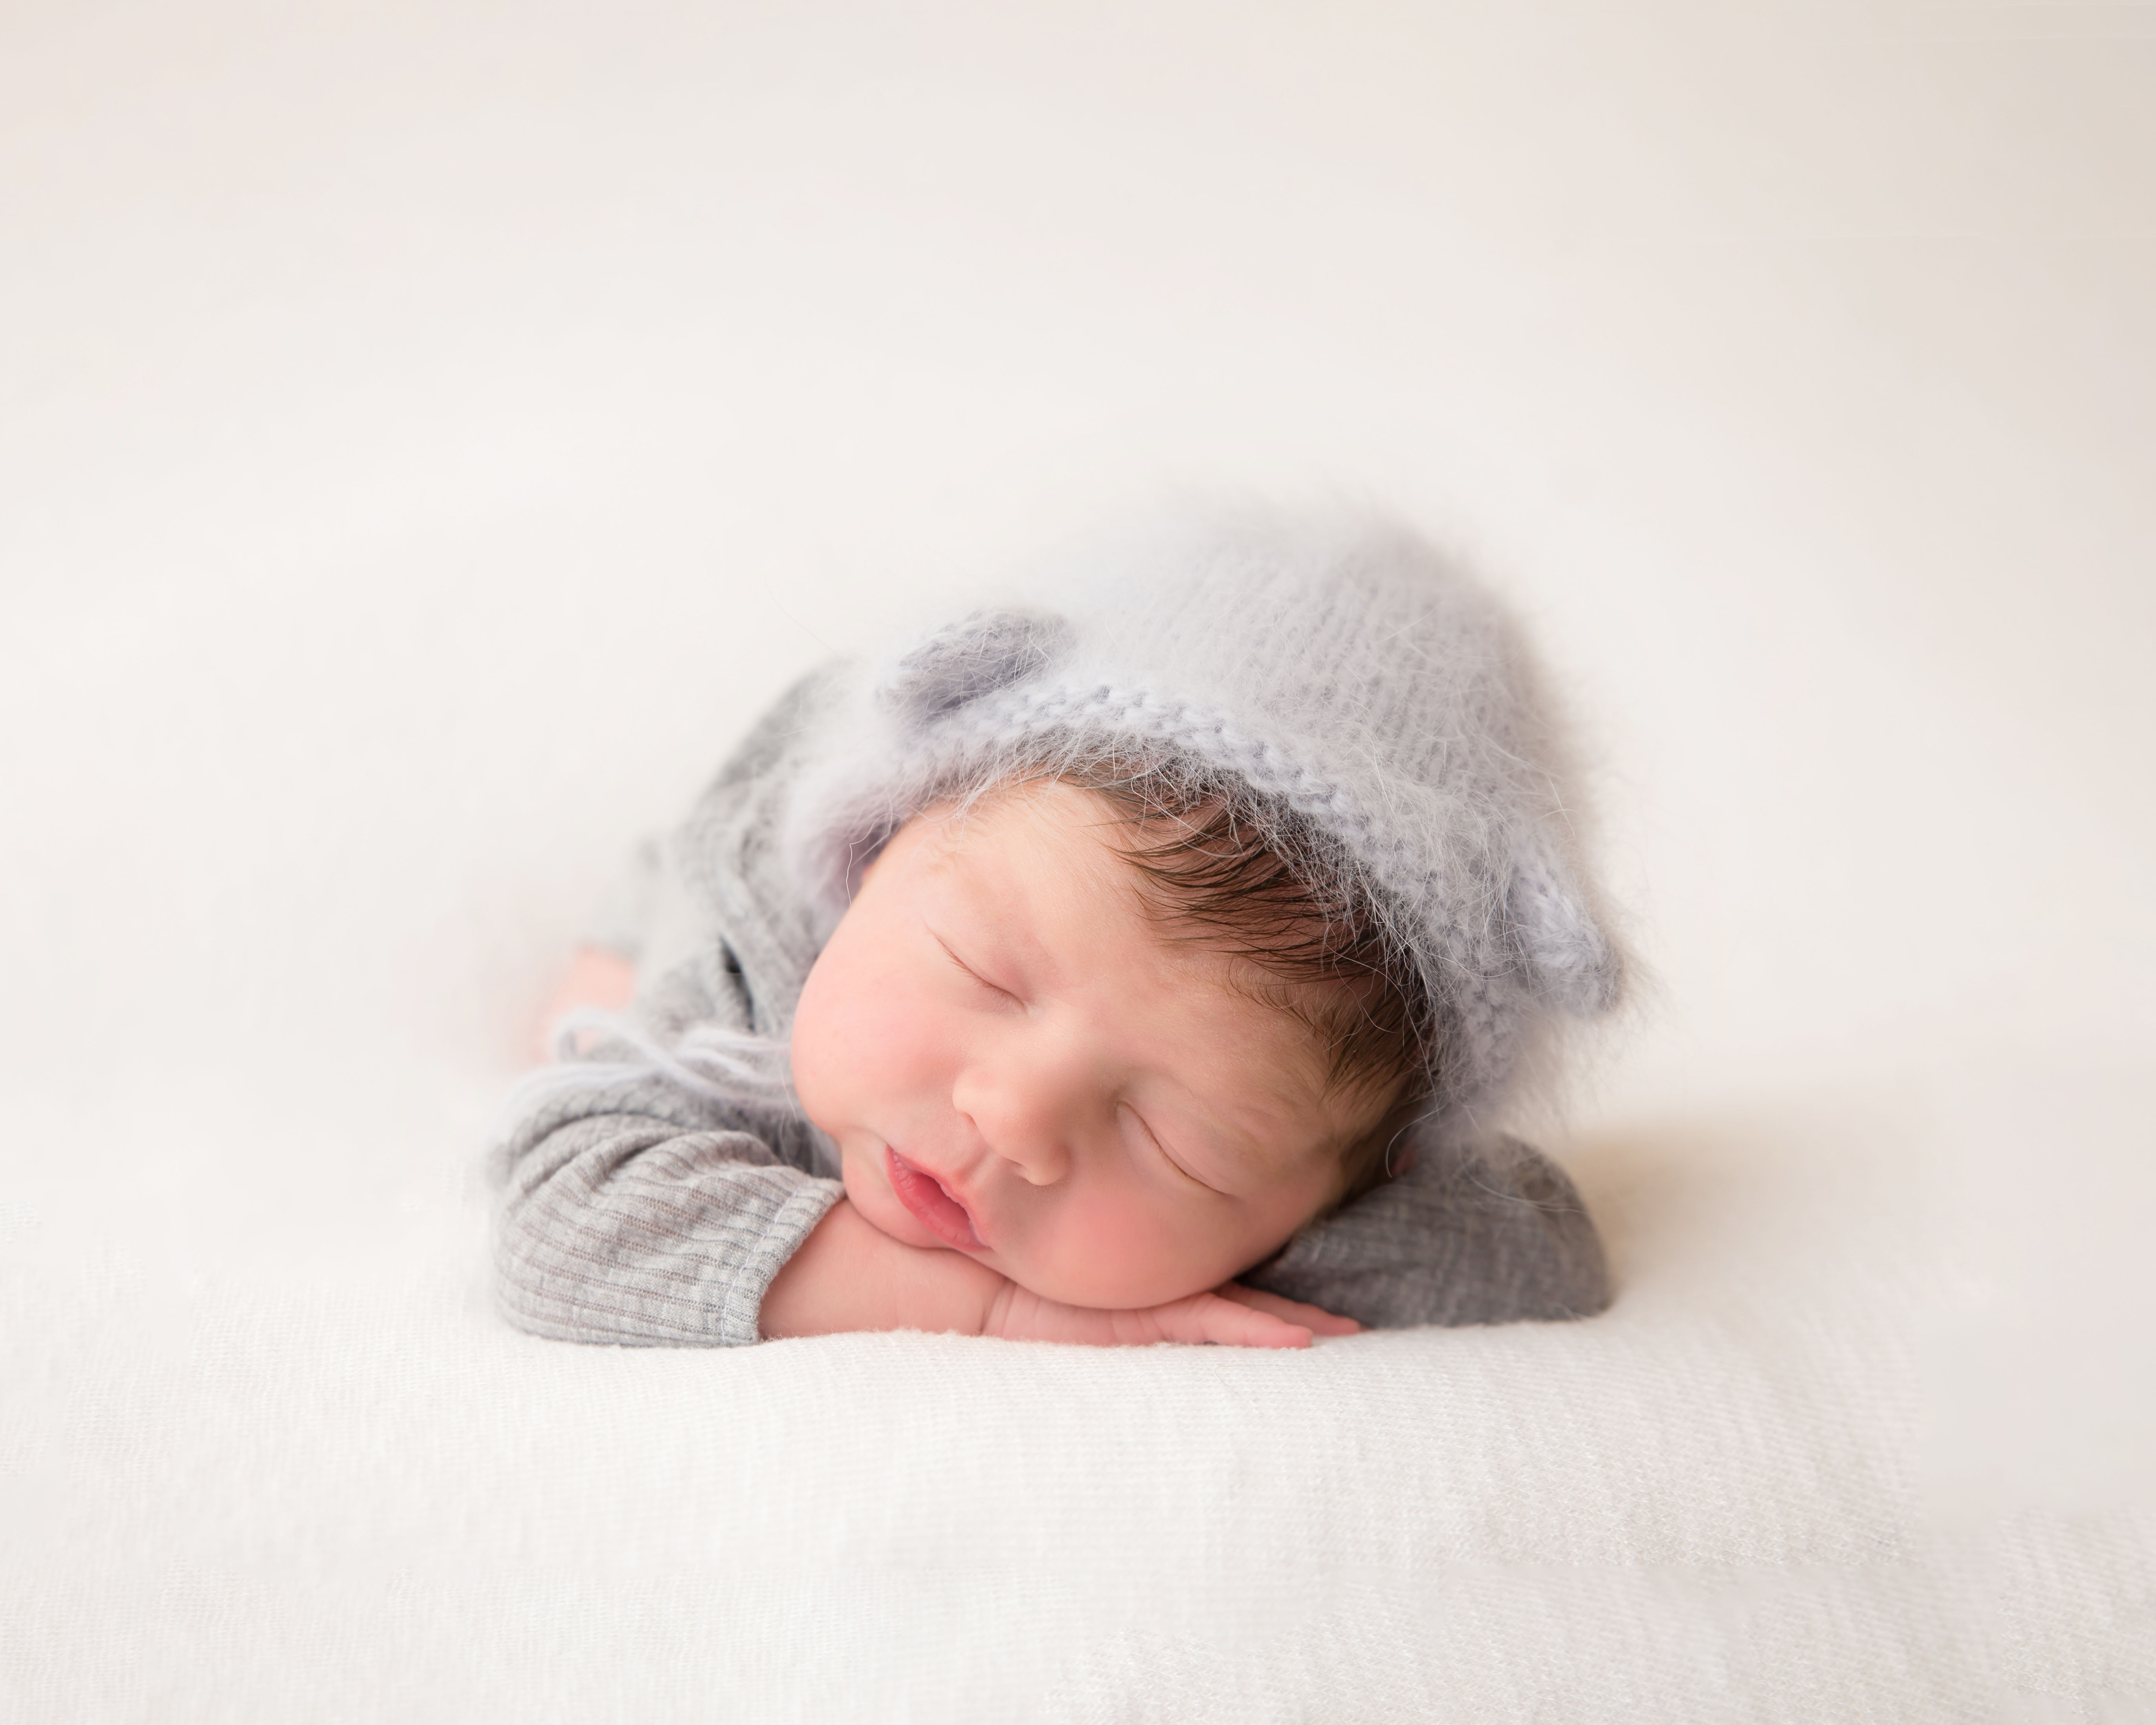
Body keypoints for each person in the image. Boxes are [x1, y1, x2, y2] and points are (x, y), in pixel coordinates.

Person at [493, 506, 1625, 1349]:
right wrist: (994, 1305)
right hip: (758, 826)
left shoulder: (1334, 1166)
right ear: (884, 848)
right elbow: (565, 1224)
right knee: (600, 999)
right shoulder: (759, 958)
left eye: (1178, 1143)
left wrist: (1271, 1243)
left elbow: (1541, 1251)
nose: (1014, 1119)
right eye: (983, 974)